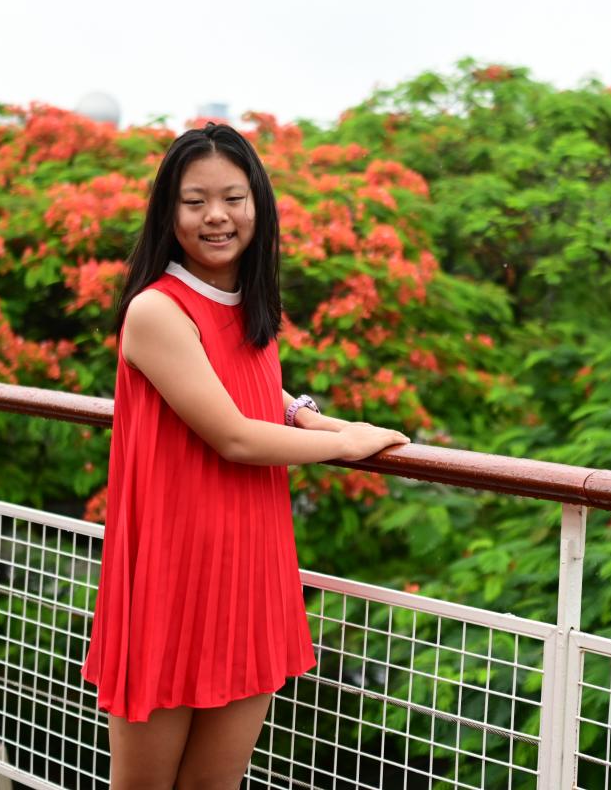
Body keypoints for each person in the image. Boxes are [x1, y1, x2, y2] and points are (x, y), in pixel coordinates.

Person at [82, 123, 408, 790]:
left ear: (258, 203)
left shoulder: (247, 301)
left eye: (233, 198)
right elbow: (232, 434)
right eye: (195, 201)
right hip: (174, 575)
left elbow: (246, 386)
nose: (217, 216)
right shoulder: (156, 310)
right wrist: (344, 443)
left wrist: (306, 414)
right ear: (168, 212)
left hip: (249, 567)